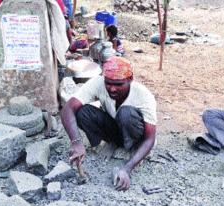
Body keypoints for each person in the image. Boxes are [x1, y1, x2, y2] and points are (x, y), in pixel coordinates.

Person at [61, 57, 157, 191]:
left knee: (126, 112)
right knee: (83, 112)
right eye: (108, 83)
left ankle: (133, 150)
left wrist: (127, 169)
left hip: (136, 135)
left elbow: (150, 138)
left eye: (118, 84)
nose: (112, 89)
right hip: (116, 129)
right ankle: (113, 143)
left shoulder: (144, 95)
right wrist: (76, 142)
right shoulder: (98, 82)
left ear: (130, 79)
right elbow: (68, 108)